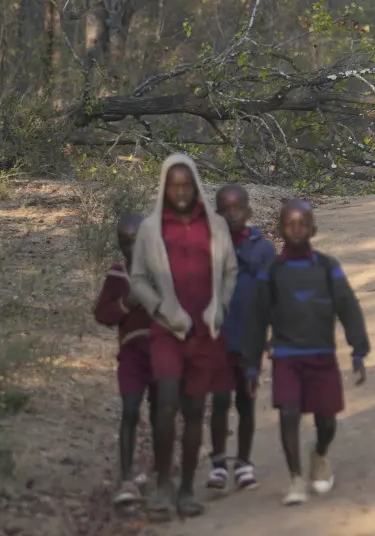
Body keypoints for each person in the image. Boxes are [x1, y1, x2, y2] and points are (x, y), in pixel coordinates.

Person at [128, 154, 237, 520]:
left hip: (206, 333)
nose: (180, 191)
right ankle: (163, 485)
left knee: (193, 410)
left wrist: (219, 307)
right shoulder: (150, 229)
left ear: (195, 186)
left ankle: (188, 488)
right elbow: (138, 278)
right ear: (164, 186)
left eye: (186, 185)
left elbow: (230, 272)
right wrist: (162, 309)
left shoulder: (217, 226)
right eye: (173, 185)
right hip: (167, 330)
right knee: (167, 401)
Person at [245, 199, 370, 506]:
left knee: (326, 422)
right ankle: (296, 479)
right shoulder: (271, 271)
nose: (297, 229)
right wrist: (251, 365)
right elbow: (257, 318)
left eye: (303, 224)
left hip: (322, 356)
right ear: (280, 229)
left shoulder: (328, 267)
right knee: (288, 414)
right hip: (287, 356)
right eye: (290, 224)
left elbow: (348, 308)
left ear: (313, 228)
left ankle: (319, 454)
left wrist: (358, 349)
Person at [207, 184, 277, 492]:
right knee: (220, 400)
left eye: (238, 208)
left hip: (250, 338)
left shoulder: (262, 249)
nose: (232, 214)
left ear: (248, 210)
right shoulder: (210, 247)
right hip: (217, 337)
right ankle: (219, 463)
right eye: (225, 209)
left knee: (246, 401)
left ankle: (244, 463)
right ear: (218, 214)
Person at [92, 213, 155, 506]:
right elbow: (102, 314)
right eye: (125, 243)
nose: (132, 249)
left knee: (162, 410)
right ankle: (127, 477)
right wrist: (125, 304)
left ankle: (158, 471)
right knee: (130, 408)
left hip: (163, 349)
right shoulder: (118, 276)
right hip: (131, 353)